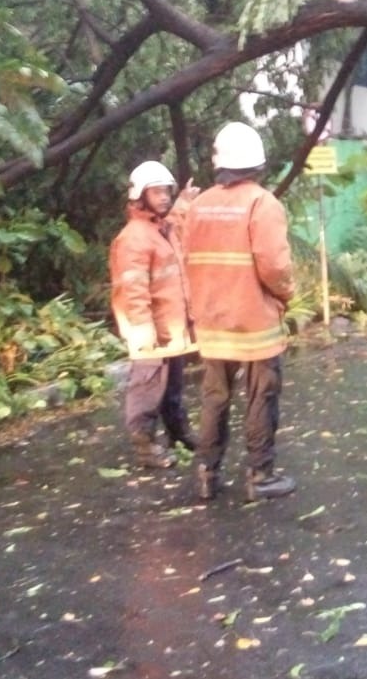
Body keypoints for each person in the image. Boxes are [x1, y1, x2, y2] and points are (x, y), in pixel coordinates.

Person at [184, 122, 296, 501]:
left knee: (214, 398)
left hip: (213, 324)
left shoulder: (197, 206)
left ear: (220, 163)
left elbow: (187, 263)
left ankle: (206, 473)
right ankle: (260, 476)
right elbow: (275, 268)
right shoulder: (262, 204)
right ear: (258, 164)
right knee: (261, 396)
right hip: (255, 325)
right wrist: (286, 295)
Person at [109, 160, 199, 469]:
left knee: (172, 387)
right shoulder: (134, 238)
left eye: (166, 192)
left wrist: (185, 202)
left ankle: (178, 432)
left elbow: (176, 222)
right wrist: (142, 331)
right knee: (146, 389)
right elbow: (133, 291)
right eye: (156, 192)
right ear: (139, 195)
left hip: (169, 330)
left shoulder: (160, 229)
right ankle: (145, 446)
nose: (164, 197)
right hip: (148, 332)